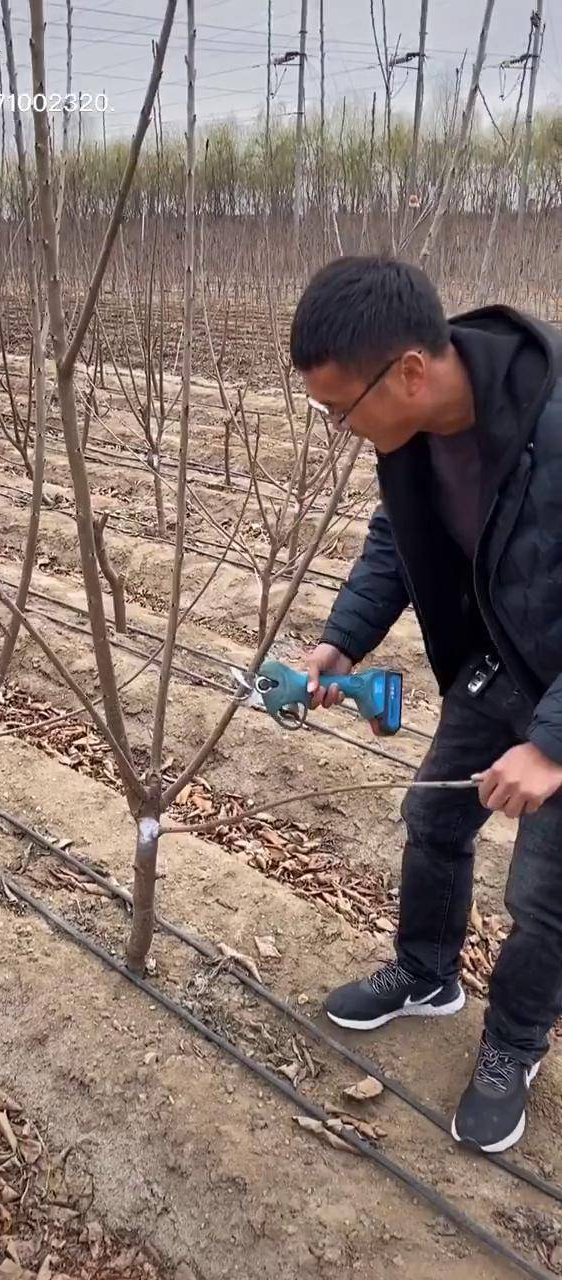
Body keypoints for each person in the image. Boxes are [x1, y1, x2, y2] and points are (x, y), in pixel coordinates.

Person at [290, 255, 562, 1155]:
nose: (339, 428)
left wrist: (551, 746)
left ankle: (512, 1048)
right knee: (431, 822)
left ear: (409, 370)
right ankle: (426, 971)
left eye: (340, 409)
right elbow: (397, 545)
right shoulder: (408, 439)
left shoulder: (552, 418)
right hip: (500, 664)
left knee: (544, 897)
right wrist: (342, 640)